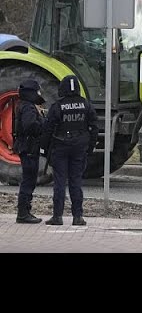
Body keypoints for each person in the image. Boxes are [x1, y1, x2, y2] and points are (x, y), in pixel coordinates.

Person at [40, 75, 98, 226]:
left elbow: (48, 129)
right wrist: (90, 148)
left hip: (60, 147)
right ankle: (77, 216)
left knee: (59, 182)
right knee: (76, 182)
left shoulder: (58, 106)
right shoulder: (86, 105)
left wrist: (44, 150)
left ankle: (57, 217)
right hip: (79, 148)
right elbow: (94, 128)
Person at [13, 79, 47, 224]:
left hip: (27, 147)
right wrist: (43, 121)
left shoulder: (25, 105)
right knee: (29, 180)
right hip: (29, 148)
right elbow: (30, 126)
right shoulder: (28, 108)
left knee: (29, 179)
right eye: (38, 91)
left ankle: (25, 211)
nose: (40, 94)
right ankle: (23, 213)